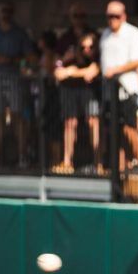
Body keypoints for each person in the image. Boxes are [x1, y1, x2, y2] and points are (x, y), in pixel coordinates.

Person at [0, 1, 35, 168]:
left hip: (14, 79)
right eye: (3, 10)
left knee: (17, 117)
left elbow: (31, 57)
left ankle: (22, 156)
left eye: (8, 11)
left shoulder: (20, 33)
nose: (5, 13)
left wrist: (11, 60)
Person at [99, 0, 138, 173]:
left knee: (132, 128)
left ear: (124, 16)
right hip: (109, 93)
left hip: (129, 90)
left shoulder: (133, 34)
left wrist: (117, 70)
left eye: (116, 16)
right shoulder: (105, 35)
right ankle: (120, 166)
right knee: (114, 130)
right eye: (109, 16)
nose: (113, 19)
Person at [54, 31, 101, 173]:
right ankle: (67, 161)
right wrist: (64, 62)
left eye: (90, 47)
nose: (87, 51)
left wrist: (70, 72)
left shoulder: (97, 59)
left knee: (93, 122)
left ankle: (98, 163)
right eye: (83, 48)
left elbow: (91, 73)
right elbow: (58, 73)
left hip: (90, 93)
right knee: (70, 123)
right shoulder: (67, 59)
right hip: (69, 93)